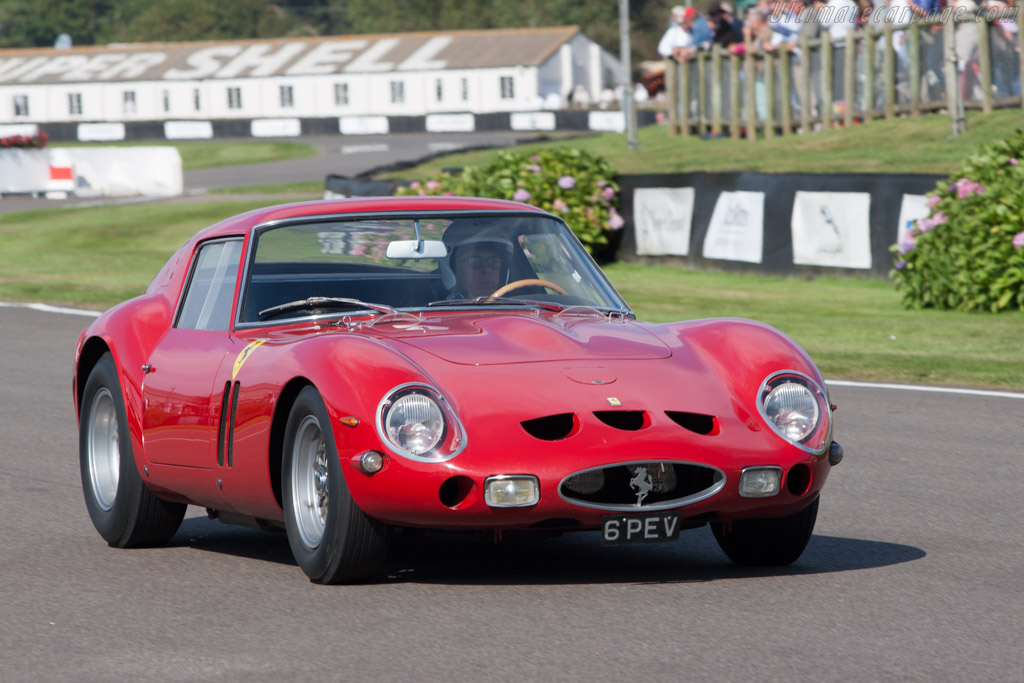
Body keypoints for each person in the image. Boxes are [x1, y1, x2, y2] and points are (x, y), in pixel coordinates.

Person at [440, 224, 514, 299]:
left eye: (494, 262)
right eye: (475, 262)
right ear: (454, 269)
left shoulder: (517, 303)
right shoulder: (442, 309)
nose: (487, 269)